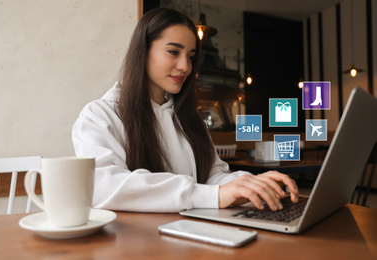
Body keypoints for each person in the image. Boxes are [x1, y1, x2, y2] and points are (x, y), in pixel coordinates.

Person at [72, 7, 298, 213]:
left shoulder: (188, 118)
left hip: (192, 236)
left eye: (190, 57)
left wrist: (251, 183)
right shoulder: (100, 115)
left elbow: (213, 176)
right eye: (173, 52)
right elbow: (104, 186)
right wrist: (212, 195)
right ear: (143, 51)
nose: (185, 67)